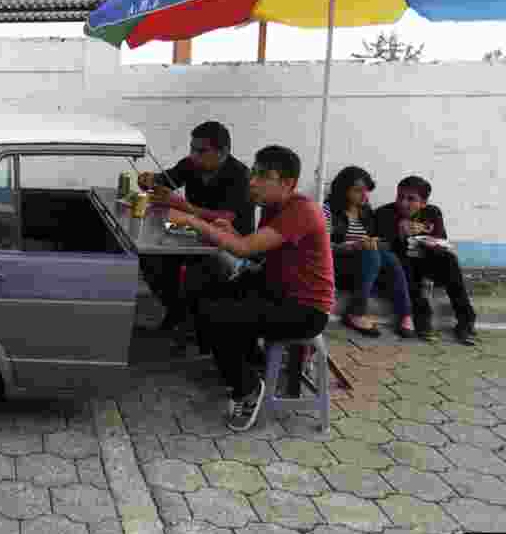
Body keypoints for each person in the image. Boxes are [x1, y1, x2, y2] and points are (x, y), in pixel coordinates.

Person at [166, 146, 333, 432]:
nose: (253, 181)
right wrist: (232, 234)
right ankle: (243, 365)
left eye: (263, 175)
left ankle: (248, 388)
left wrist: (193, 220)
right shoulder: (272, 208)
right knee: (205, 291)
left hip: (304, 308)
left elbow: (244, 250)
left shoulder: (301, 210)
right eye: (254, 173)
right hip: (275, 287)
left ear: (287, 183)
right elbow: (257, 251)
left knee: (219, 315)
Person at [136, 121, 254, 335]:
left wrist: (182, 206)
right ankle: (177, 311)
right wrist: (149, 180)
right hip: (194, 235)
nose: (194, 155)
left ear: (223, 152)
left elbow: (225, 217)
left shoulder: (240, 176)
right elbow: (166, 180)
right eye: (192, 149)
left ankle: (197, 323)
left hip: (230, 243)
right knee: (152, 258)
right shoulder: (190, 165)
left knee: (200, 272)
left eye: (201, 151)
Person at [374, 176, 478, 345]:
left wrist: (432, 244)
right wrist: (400, 235)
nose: (403, 203)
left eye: (410, 199)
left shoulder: (432, 213)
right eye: (400, 197)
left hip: (427, 261)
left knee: (449, 259)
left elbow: (441, 239)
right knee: (405, 264)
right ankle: (422, 321)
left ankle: (466, 320)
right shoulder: (384, 213)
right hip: (400, 265)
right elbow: (384, 249)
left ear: (423, 202)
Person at [323, 166, 414, 339]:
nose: (364, 196)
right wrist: (352, 246)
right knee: (371, 253)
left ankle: (406, 314)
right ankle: (356, 313)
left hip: (366, 269)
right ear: (343, 190)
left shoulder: (366, 212)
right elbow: (323, 246)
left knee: (386, 254)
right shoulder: (327, 210)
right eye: (358, 191)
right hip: (337, 266)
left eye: (366, 191)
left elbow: (377, 240)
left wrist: (376, 242)